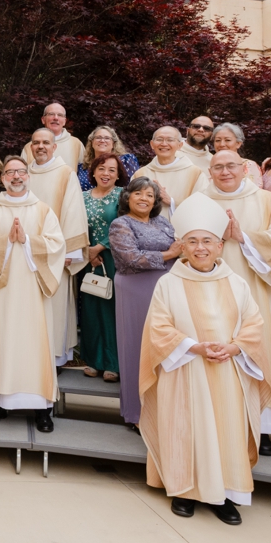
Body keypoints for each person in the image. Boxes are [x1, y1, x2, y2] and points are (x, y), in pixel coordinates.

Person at [138, 193, 267, 525]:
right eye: (192, 241)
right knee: (186, 427)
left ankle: (225, 493)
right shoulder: (169, 283)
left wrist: (235, 347)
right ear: (182, 246)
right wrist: (194, 347)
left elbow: (254, 323)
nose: (200, 248)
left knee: (225, 428)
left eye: (207, 241)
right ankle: (184, 490)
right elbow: (158, 327)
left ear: (219, 246)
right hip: (185, 369)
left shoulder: (236, 283)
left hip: (227, 371)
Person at [206, 151, 271, 451]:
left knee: (258, 352)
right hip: (211, 292)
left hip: (257, 290)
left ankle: (263, 427)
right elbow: (184, 242)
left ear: (245, 168)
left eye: (231, 166)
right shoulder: (199, 202)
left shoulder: (269, 201)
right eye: (218, 167)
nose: (225, 172)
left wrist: (245, 238)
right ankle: (218, 424)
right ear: (209, 171)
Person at [0, 154, 67, 434]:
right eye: (10, 173)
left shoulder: (43, 210)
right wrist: (5, 242)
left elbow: (56, 245)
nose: (16, 177)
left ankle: (41, 409)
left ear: (28, 176)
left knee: (34, 344)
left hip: (32, 291)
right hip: (0, 291)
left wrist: (27, 240)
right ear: (2, 179)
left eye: (21, 172)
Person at [109, 174, 181, 428]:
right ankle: (138, 414)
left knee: (164, 346)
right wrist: (169, 254)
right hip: (135, 289)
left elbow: (181, 247)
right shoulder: (121, 224)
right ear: (128, 198)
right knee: (138, 347)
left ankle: (165, 409)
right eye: (138, 193)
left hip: (166, 288)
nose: (144, 198)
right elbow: (131, 258)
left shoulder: (163, 222)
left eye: (150, 195)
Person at [24, 127, 90, 368]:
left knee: (55, 306)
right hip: (26, 253)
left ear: (54, 147)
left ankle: (54, 358)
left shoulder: (65, 173)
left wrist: (69, 251)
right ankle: (31, 357)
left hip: (56, 254)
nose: (40, 146)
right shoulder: (23, 174)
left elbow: (73, 210)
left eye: (45, 142)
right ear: (30, 147)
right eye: (36, 142)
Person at [78, 154, 124, 383]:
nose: (106, 173)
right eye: (102, 168)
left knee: (111, 311)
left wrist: (100, 248)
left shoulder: (122, 195)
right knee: (91, 310)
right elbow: (74, 225)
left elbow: (126, 224)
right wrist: (88, 251)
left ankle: (112, 363)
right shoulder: (82, 197)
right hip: (87, 261)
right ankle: (93, 360)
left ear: (118, 174)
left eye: (112, 170)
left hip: (114, 259)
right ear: (93, 172)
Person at [139, 127, 200, 208]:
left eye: (170, 140)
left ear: (180, 145)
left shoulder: (194, 173)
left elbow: (201, 205)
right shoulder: (140, 174)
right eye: (159, 139)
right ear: (152, 144)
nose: (164, 144)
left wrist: (171, 201)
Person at [77, 124, 138, 190]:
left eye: (107, 138)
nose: (102, 141)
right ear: (92, 142)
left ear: (113, 143)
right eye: (98, 137)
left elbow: (135, 186)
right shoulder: (83, 167)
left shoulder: (125, 160)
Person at [31, 101, 83, 173]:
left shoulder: (76, 144)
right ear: (43, 120)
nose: (55, 118)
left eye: (60, 115)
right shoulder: (30, 147)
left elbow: (84, 172)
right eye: (51, 114)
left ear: (64, 121)